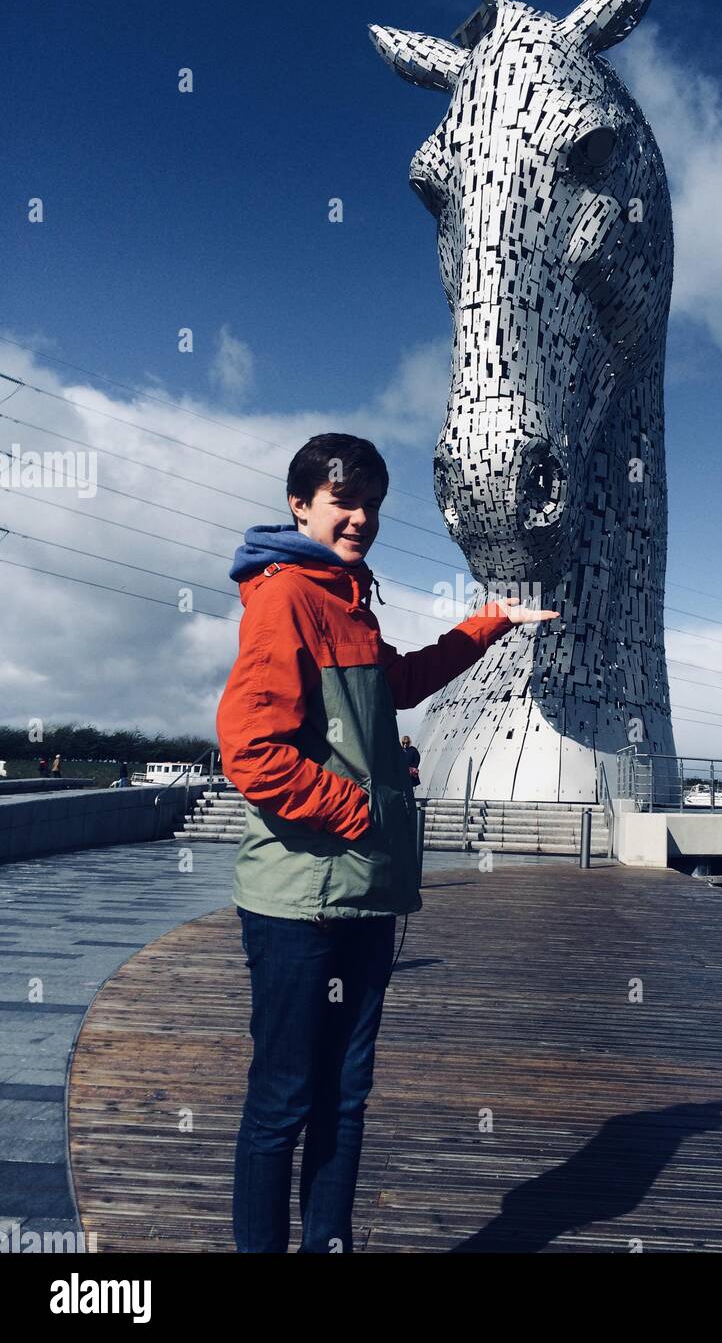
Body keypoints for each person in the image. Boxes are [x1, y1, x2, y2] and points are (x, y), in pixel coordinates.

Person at [216, 432, 558, 1254]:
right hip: (302, 902)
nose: (361, 516)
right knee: (285, 1099)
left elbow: (397, 685)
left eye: (371, 501)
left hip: (363, 894)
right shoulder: (286, 596)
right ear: (300, 505)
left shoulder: (348, 595)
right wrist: (361, 811)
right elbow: (249, 749)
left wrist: (489, 626)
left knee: (345, 1095)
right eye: (343, 500)